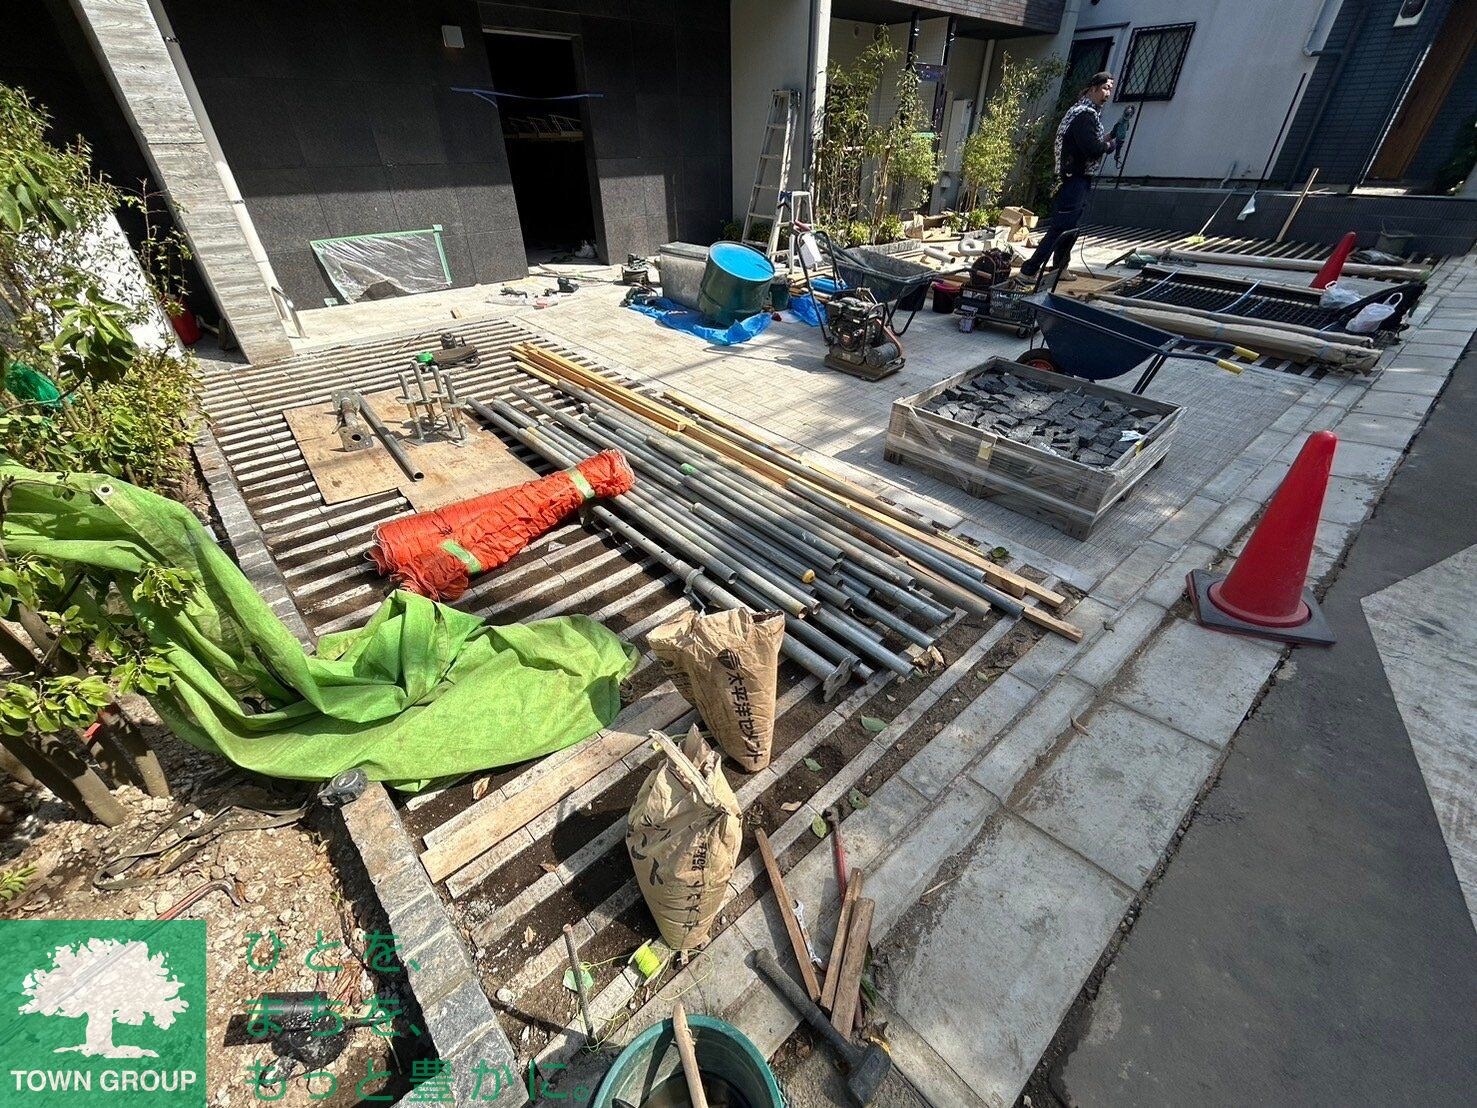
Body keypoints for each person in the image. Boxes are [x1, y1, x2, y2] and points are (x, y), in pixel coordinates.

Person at [1018, 71, 1117, 280]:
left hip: (1077, 177)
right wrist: (1109, 145)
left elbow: (1089, 141)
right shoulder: (1084, 114)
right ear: (1093, 88)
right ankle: (1029, 270)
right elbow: (1091, 147)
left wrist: (1109, 137)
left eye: (1111, 89)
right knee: (1060, 227)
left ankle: (1059, 269)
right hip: (1075, 177)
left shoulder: (1085, 113)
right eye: (1106, 88)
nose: (1108, 93)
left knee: (1069, 227)